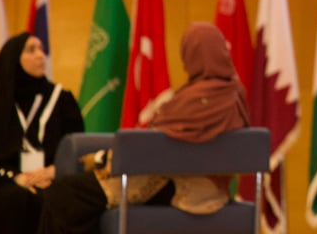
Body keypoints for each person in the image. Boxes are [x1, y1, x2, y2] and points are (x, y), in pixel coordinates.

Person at [38, 21, 249, 234]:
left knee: (65, 193)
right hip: (213, 191)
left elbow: (157, 144)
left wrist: (105, 159)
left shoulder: (194, 98)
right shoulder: (235, 94)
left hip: (182, 186)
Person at [0, 32, 85, 234]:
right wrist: (16, 178)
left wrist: (55, 170)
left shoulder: (62, 101)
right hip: (7, 186)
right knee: (15, 198)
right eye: (31, 50)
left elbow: (78, 150)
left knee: (60, 199)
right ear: (13, 59)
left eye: (41, 49)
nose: (40, 55)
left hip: (54, 180)